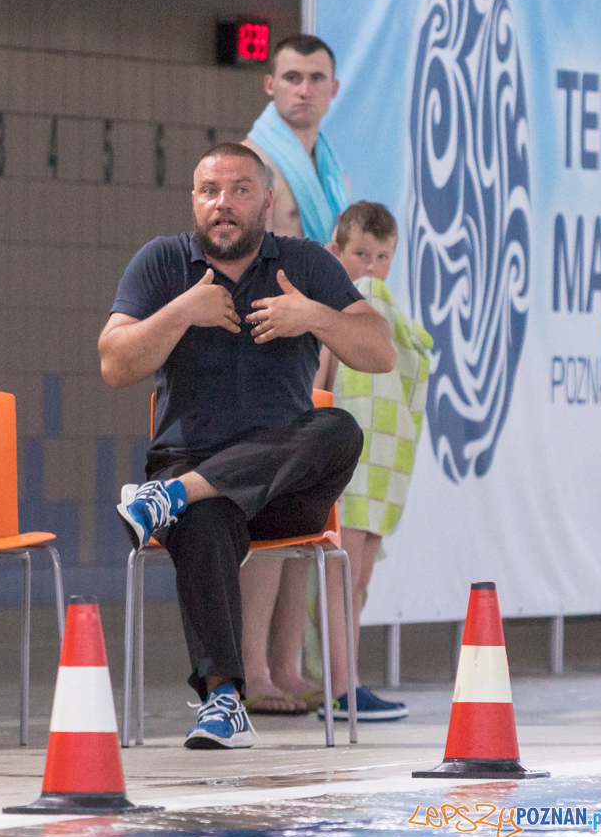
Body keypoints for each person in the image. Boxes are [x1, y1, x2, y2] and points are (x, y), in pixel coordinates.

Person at [97, 142, 392, 749]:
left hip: (284, 483)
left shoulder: (305, 263)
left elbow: (379, 351)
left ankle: (170, 497)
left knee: (336, 428)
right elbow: (113, 364)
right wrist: (180, 311)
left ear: (266, 199)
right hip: (190, 461)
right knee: (203, 516)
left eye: (238, 190)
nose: (223, 204)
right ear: (194, 201)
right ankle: (224, 700)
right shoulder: (162, 263)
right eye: (210, 191)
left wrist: (313, 315)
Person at [239, 33, 353, 716]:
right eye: (292, 75)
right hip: (266, 353)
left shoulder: (328, 167)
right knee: (265, 522)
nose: (304, 88)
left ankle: (285, 662)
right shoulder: (255, 160)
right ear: (269, 85)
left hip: (315, 349)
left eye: (316, 77)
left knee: (302, 515)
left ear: (333, 90)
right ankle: (252, 665)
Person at [309, 202, 430, 722]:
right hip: (346, 462)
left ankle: (347, 678)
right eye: (361, 254)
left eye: (383, 257)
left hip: (383, 465)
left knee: (358, 580)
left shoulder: (386, 316)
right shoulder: (334, 313)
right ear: (338, 254)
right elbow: (319, 382)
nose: (372, 269)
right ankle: (340, 686)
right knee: (340, 574)